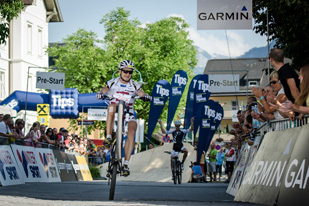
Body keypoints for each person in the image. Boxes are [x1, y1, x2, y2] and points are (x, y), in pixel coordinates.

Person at [96, 60, 151, 177]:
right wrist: (101, 92)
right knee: (111, 106)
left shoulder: (134, 84)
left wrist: (144, 96)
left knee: (132, 130)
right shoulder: (112, 82)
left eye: (130, 72)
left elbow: (140, 92)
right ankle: (109, 137)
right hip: (114, 113)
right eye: (125, 71)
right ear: (120, 71)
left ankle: (126, 163)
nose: (128, 74)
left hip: (128, 113)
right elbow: (105, 89)